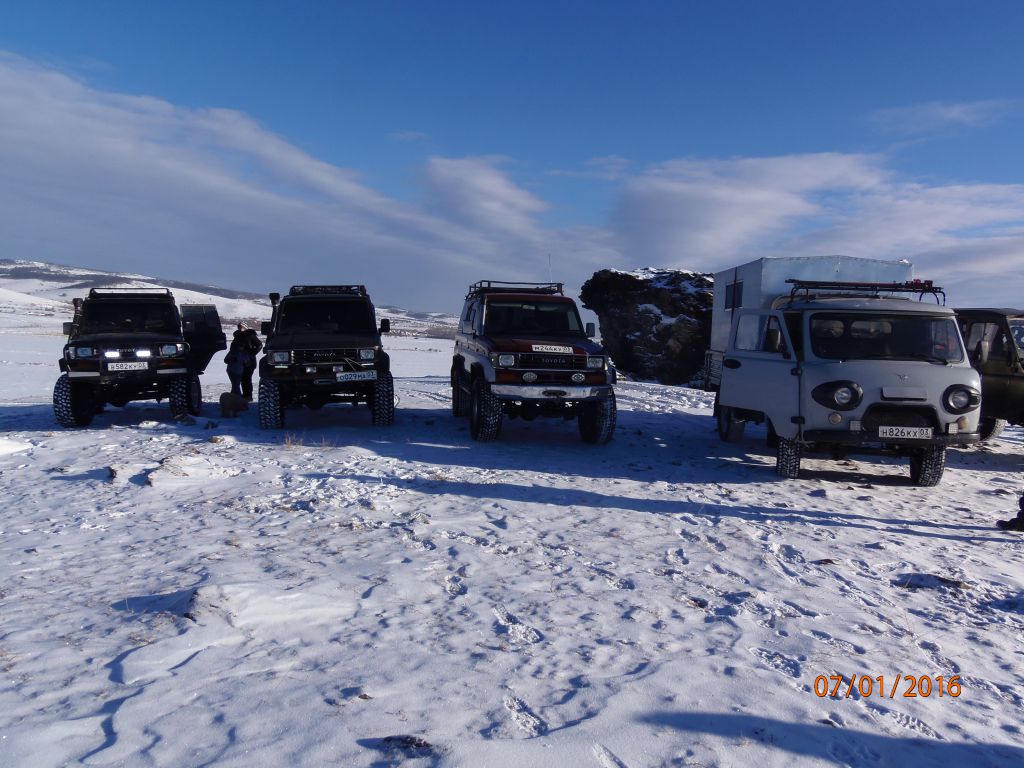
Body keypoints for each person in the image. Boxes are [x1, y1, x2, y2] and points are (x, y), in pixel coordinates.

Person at [238, 323, 262, 400]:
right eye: (239, 327)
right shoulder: (238, 336)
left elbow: (259, 345)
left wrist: (251, 353)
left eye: (242, 327)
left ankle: (248, 396)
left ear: (245, 327)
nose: (240, 328)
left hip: (250, 361)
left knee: (246, 378)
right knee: (242, 378)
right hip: (241, 360)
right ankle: (245, 395)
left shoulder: (250, 335)